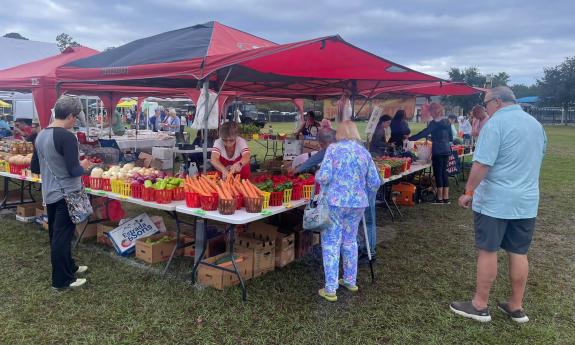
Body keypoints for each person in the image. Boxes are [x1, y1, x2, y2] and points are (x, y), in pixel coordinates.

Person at [450, 86, 547, 323]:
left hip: (495, 200)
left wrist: (468, 191)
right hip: (526, 200)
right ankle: (516, 306)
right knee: (519, 252)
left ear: (497, 102)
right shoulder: (536, 125)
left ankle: (479, 305)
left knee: (488, 250)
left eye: (486, 103)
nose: (485, 108)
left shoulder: (495, 124)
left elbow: (482, 163)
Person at [30, 95, 92, 290]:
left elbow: (35, 167)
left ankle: (69, 267)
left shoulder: (41, 135)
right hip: (67, 193)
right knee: (62, 236)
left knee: (58, 235)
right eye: (76, 117)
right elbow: (74, 170)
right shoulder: (67, 136)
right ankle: (62, 280)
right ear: (72, 116)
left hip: (50, 192)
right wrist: (84, 166)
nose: (75, 121)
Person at [315, 120, 381, 302]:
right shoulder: (364, 153)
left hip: (336, 202)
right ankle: (350, 280)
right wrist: (364, 193)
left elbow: (325, 176)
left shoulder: (333, 150)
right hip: (358, 203)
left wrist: (318, 175)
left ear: (340, 133)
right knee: (350, 241)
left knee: (331, 242)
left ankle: (330, 288)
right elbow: (375, 182)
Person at [409, 102, 453, 204]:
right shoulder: (447, 122)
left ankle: (439, 199)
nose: (430, 114)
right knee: (444, 173)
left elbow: (423, 133)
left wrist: (410, 138)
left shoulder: (434, 123)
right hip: (446, 149)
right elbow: (450, 138)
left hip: (437, 150)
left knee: (438, 174)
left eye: (430, 111)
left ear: (434, 111)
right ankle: (446, 198)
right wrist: (433, 137)